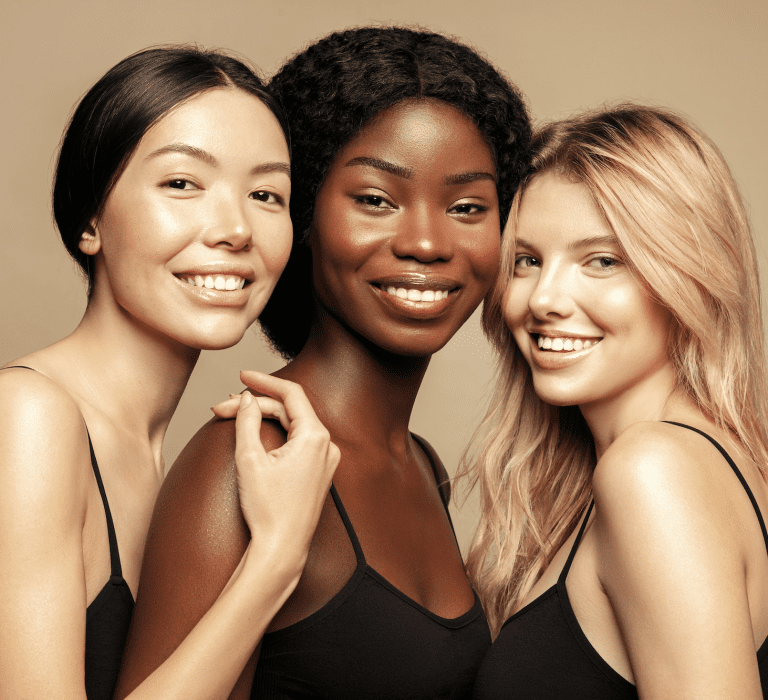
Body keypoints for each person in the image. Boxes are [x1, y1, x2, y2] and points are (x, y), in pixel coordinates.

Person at [115, 26, 531, 700]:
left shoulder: (422, 465)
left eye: (465, 207)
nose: (426, 241)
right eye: (375, 200)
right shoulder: (244, 459)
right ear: (303, 212)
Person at [0, 46, 338, 700]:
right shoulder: (28, 417)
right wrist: (273, 561)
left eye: (266, 194)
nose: (236, 228)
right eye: (182, 183)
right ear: (91, 220)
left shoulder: (180, 459)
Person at [465, 104, 768, 698]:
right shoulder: (664, 464)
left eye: (601, 261)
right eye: (528, 261)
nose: (545, 298)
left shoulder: (654, 472)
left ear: (689, 276)